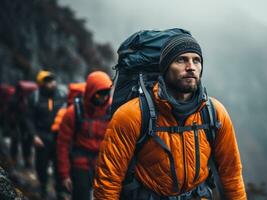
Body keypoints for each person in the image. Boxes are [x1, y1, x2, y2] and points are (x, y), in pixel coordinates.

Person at [94, 33, 247, 199]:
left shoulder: (214, 113)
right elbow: (108, 180)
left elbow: (231, 174)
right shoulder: (132, 115)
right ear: (166, 67)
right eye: (181, 60)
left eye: (196, 60)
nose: (191, 67)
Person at [57, 71, 112, 200]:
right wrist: (64, 174)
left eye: (106, 93)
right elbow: (62, 144)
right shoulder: (74, 113)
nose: (104, 98)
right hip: (80, 164)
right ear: (91, 92)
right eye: (99, 94)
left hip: (103, 164)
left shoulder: (112, 111)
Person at [26, 70, 66, 198]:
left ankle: (59, 191)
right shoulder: (35, 97)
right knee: (41, 165)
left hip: (58, 137)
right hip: (42, 136)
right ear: (41, 84)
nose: (52, 83)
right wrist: (34, 136)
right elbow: (28, 118)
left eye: (52, 80)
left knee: (59, 164)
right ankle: (43, 187)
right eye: (47, 81)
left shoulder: (61, 94)